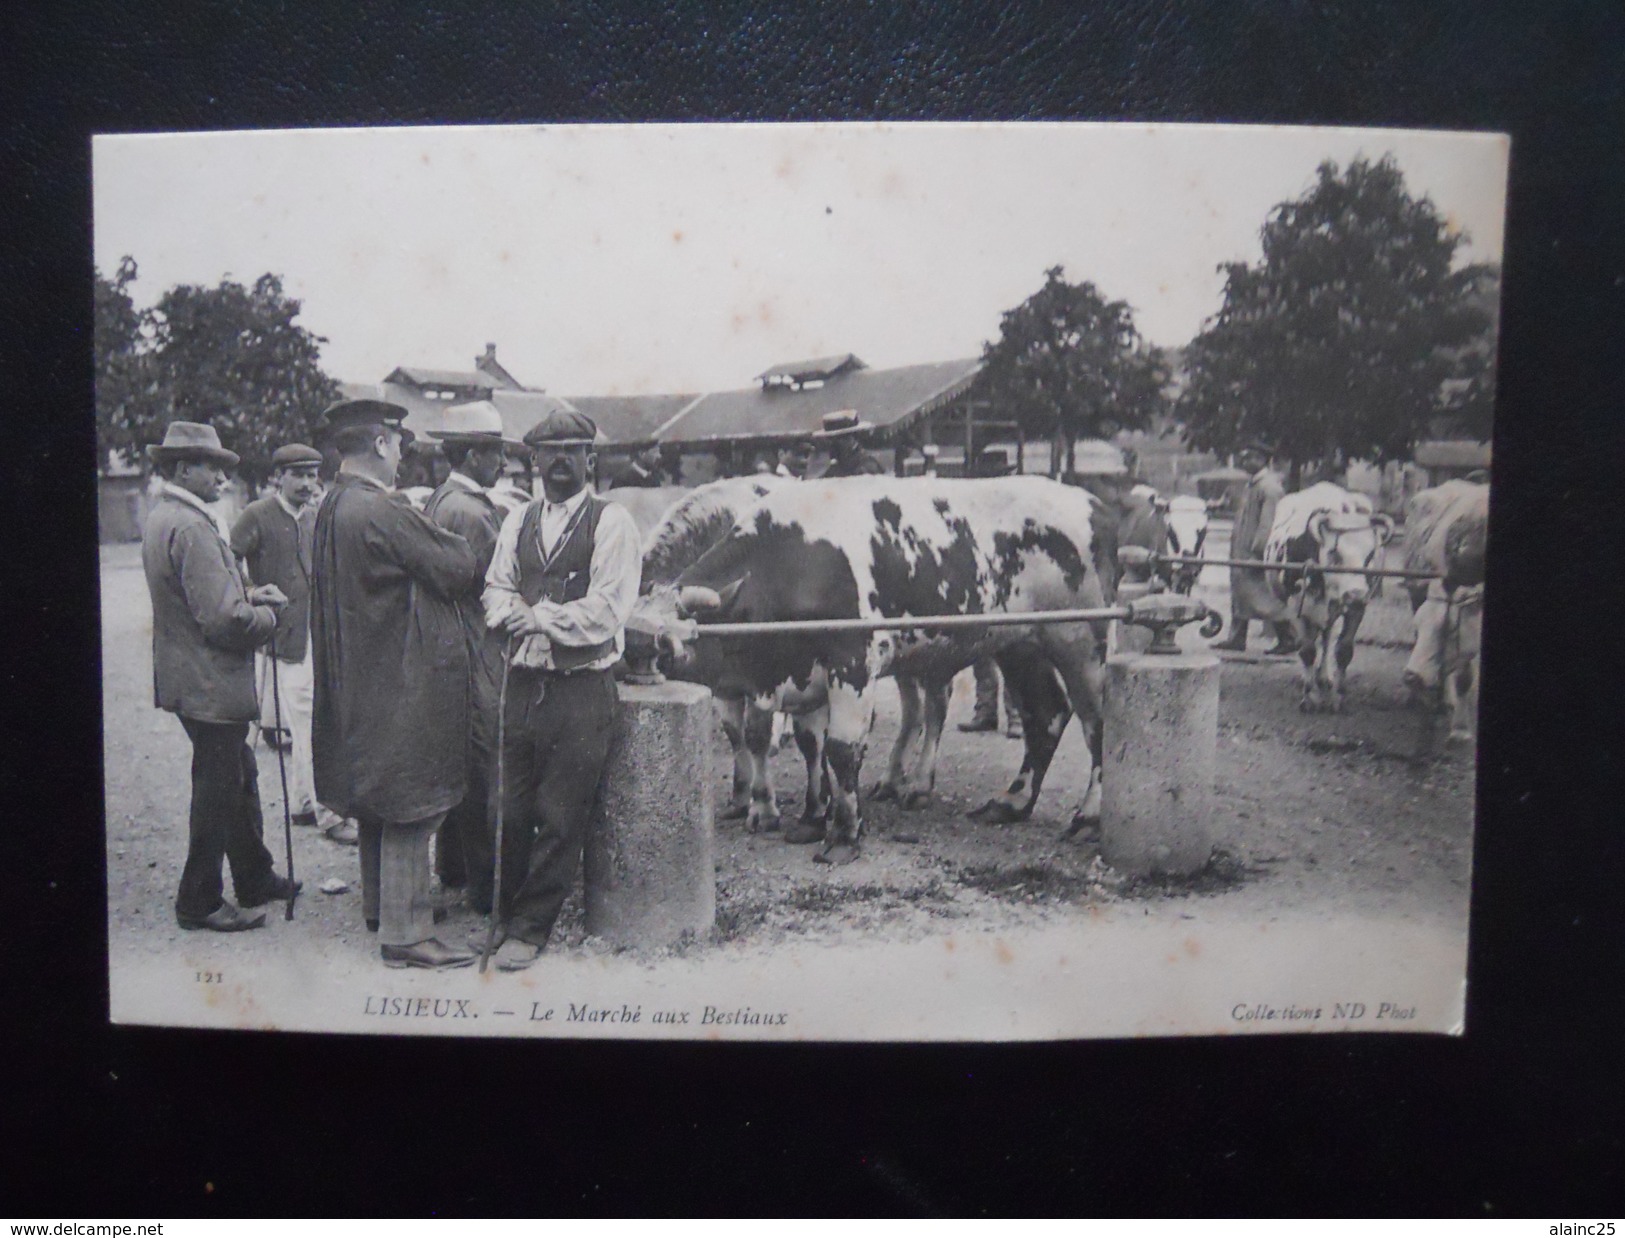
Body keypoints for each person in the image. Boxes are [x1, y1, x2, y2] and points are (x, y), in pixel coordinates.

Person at [310, 399, 483, 970]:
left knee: (376, 797)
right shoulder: (379, 509)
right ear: (380, 444)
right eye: (400, 443)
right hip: (398, 675)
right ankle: (407, 933)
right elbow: (457, 567)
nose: (405, 453)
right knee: (413, 799)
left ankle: (380, 908)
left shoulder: (331, 505)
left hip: (360, 674)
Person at [480, 409, 642, 971]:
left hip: (582, 689)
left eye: (573, 451)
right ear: (533, 461)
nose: (561, 463)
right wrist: (509, 613)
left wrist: (540, 618)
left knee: (559, 812)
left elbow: (607, 609)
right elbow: (496, 587)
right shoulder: (517, 520)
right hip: (523, 684)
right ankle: (503, 912)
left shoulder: (612, 522)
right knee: (507, 804)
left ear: (590, 459)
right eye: (550, 453)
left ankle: (530, 926)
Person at [141, 421, 300, 932]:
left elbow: (204, 600)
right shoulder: (189, 525)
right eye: (212, 467)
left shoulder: (170, 515)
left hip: (192, 677)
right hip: (210, 682)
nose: (223, 479)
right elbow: (223, 619)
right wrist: (267, 618)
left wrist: (251, 594)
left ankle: (254, 875)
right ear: (183, 467)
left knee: (238, 772)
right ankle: (199, 901)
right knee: (218, 787)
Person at [421, 401, 517, 912]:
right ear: (475, 453)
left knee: (460, 761)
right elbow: (495, 585)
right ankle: (488, 887)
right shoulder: (474, 512)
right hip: (480, 645)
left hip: (451, 646)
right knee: (486, 765)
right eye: (496, 452)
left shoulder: (443, 499)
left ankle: (454, 867)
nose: (502, 463)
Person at [230, 443, 349, 842]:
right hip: (283, 637)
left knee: (308, 721)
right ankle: (329, 814)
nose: (307, 483)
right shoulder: (257, 515)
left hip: (319, 633)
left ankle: (302, 803)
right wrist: (250, 590)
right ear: (277, 477)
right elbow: (227, 560)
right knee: (311, 722)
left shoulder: (318, 517)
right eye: (297, 474)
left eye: (313, 474)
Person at [1211, 439, 1298, 655]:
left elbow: (1268, 523)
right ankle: (1237, 638)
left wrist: (1259, 553)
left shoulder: (1270, 488)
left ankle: (1289, 638)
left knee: (1263, 598)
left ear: (1261, 460)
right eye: (1245, 456)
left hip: (1254, 554)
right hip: (1241, 551)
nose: (1245, 460)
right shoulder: (1253, 485)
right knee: (1241, 595)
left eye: (1250, 457)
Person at [959, 449, 1022, 737]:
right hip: (978, 581)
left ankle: (1016, 715)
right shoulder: (973, 507)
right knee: (980, 650)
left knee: (1011, 648)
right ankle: (985, 710)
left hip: (1009, 582)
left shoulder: (1014, 507)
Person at [814, 409, 885, 477]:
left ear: (853, 439)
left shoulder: (868, 467)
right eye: (830, 440)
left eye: (840, 439)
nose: (833, 445)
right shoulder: (836, 469)